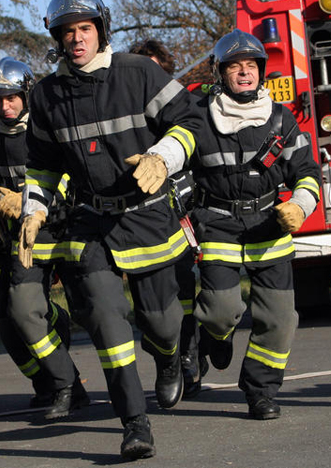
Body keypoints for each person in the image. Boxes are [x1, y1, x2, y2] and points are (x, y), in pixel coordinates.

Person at [19, 0, 202, 460]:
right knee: (104, 318)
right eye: (67, 32)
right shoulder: (46, 95)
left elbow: (191, 121)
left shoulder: (138, 72)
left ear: (101, 29)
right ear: (57, 38)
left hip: (147, 215)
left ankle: (168, 357)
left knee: (161, 324)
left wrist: (164, 156)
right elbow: (41, 165)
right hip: (91, 221)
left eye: (84, 29)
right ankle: (134, 423)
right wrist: (33, 209)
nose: (76, 39)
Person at [190, 29, 320, 419]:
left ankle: (260, 389)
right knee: (219, 310)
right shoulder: (199, 118)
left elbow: (308, 171)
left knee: (280, 319)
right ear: (220, 73)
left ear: (262, 73)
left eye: (252, 66)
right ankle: (212, 335)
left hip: (269, 222)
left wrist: (299, 204)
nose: (245, 73)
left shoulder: (281, 118)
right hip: (218, 222)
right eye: (235, 67)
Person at [0, 57, 87, 416]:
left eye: (11, 98)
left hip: (67, 229)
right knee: (22, 312)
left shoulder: (49, 121)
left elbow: (73, 171)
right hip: (24, 240)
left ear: (26, 94)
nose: (4, 107)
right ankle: (66, 385)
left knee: (94, 309)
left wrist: (27, 202)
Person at [129, 38, 208, 398]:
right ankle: (172, 355)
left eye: (155, 69)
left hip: (187, 212)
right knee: (154, 304)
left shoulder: (186, 107)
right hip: (146, 216)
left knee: (185, 288)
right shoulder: (127, 114)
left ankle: (191, 359)